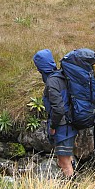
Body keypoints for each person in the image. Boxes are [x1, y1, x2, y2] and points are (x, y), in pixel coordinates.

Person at [33, 49, 77, 178]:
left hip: (63, 127)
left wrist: (53, 126)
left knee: (64, 163)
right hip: (71, 124)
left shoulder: (52, 82)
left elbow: (58, 109)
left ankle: (73, 186)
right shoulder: (62, 75)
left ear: (41, 67)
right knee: (67, 159)